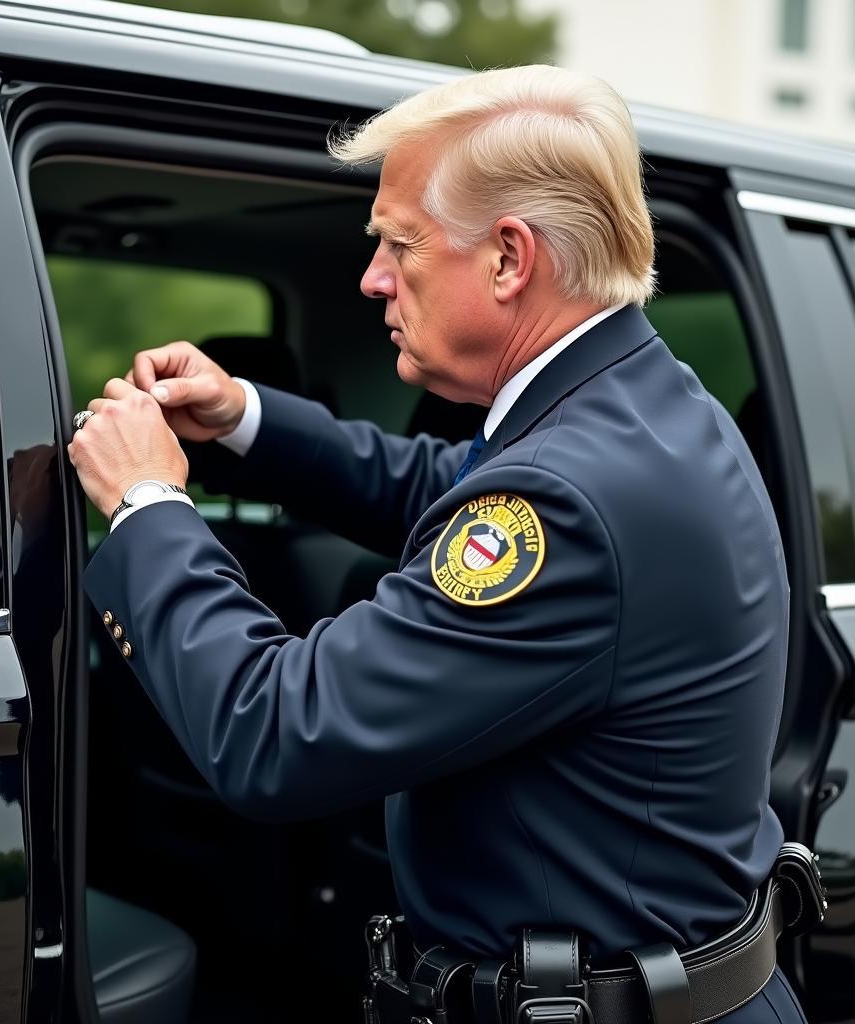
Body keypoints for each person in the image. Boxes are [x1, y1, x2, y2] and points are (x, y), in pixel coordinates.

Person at [67, 65, 808, 1024]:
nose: (373, 276)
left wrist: (147, 504)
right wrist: (245, 416)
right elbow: (445, 489)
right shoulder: (639, 407)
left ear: (509, 258)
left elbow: (278, 735)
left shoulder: (567, 498)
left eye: (398, 244)